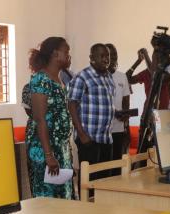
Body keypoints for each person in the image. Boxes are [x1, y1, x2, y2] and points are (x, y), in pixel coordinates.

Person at [26, 37, 74, 199]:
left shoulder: (60, 79)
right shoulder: (41, 79)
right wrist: (48, 155)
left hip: (60, 148)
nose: (69, 56)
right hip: (44, 148)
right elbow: (40, 119)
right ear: (55, 54)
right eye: (66, 52)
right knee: (47, 198)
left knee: (63, 196)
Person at [69, 44, 115, 178]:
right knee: (88, 180)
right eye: (102, 56)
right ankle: (86, 200)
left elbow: (104, 103)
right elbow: (72, 105)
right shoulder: (82, 77)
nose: (106, 59)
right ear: (92, 58)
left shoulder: (108, 76)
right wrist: (82, 135)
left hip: (106, 138)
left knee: (105, 180)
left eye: (108, 56)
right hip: (89, 139)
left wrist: (116, 113)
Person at [106, 44, 131, 165]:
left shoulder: (122, 76)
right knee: (104, 163)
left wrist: (126, 125)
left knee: (117, 162)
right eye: (110, 54)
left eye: (115, 54)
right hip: (102, 129)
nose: (113, 57)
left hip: (118, 128)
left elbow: (126, 102)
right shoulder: (98, 76)